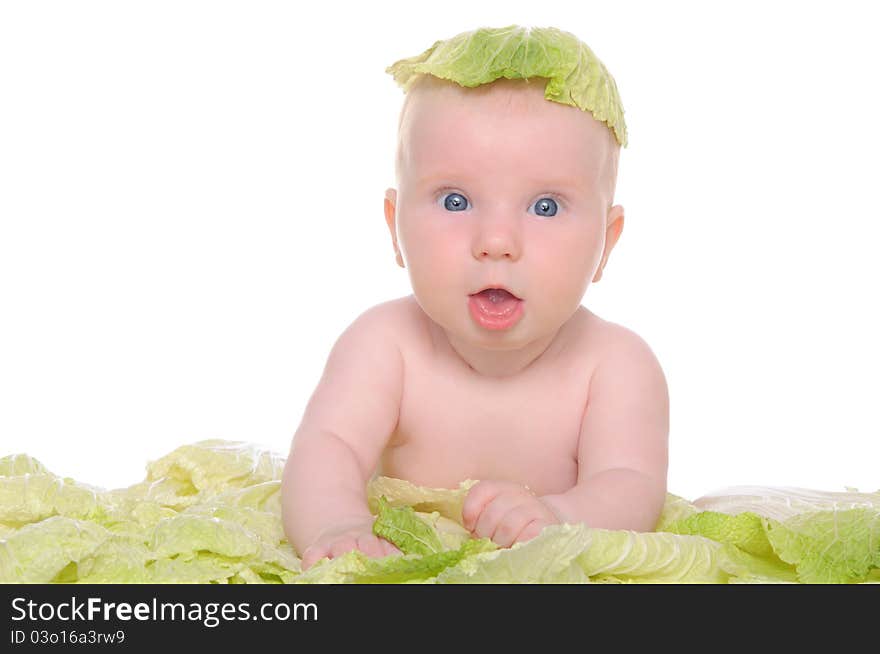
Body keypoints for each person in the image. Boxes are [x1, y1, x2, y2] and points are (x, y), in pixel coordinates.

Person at [281, 25, 669, 570]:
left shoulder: (616, 365)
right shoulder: (383, 346)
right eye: (456, 200)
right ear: (396, 228)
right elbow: (327, 449)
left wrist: (561, 516)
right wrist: (336, 523)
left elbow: (632, 485)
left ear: (606, 243)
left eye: (546, 207)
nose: (495, 243)